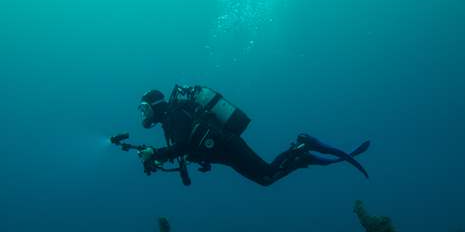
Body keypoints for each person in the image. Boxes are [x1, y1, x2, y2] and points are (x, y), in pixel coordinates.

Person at [134, 85, 370, 186]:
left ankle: (303, 148)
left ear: (156, 105)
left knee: (266, 176)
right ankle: (302, 155)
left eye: (144, 108)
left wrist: (155, 152)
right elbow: (189, 145)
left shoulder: (175, 114)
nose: (144, 114)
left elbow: (184, 145)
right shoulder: (172, 119)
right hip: (222, 151)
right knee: (265, 179)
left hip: (227, 145)